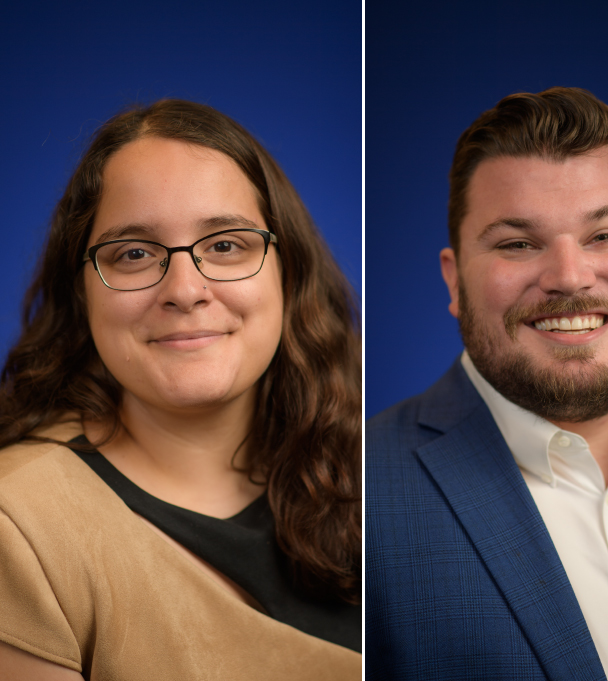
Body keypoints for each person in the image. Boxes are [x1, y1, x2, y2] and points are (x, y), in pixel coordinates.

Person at [366, 87, 608, 680]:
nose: (569, 276)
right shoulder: (363, 494)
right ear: (454, 282)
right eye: (517, 244)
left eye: (605, 235)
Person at [0, 100, 361, 679]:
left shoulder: (381, 475)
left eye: (225, 245)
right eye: (135, 254)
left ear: (287, 271)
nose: (185, 290)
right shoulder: (20, 524)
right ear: (82, 292)